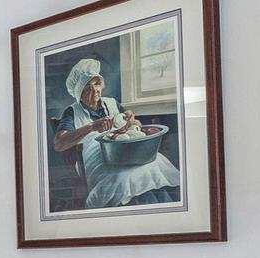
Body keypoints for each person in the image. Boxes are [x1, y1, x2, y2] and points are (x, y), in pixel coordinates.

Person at [51, 57, 180, 207]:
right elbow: (59, 143)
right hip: (99, 156)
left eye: (97, 84)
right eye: (87, 87)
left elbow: (136, 125)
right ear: (79, 92)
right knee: (124, 178)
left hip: (126, 150)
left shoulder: (111, 103)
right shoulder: (72, 111)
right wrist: (91, 127)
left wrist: (131, 120)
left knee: (155, 164)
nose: (95, 90)